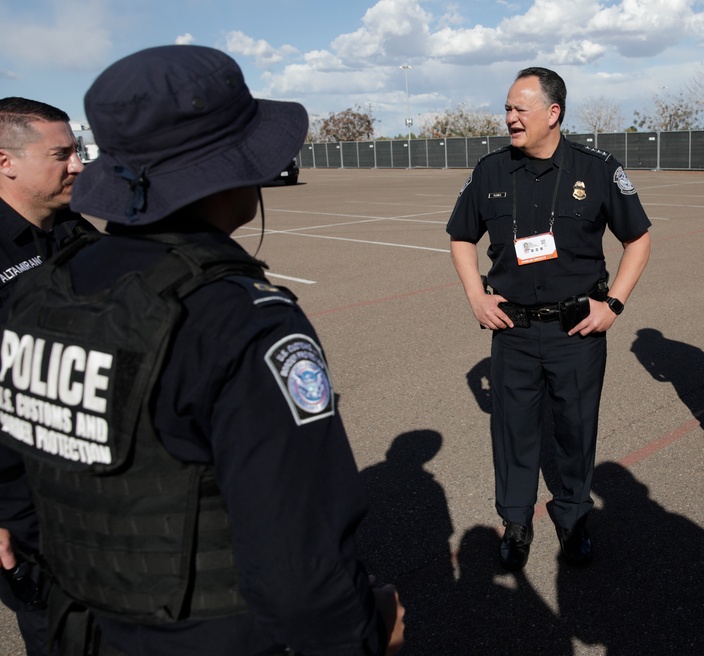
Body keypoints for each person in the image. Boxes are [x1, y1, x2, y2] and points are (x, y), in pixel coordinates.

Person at [0, 45, 404, 654]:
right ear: (227, 171)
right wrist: (365, 639)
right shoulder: (242, 319)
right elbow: (298, 550)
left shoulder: (48, 288)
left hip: (76, 623)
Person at [446, 67, 651, 569]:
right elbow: (459, 237)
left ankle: (574, 515)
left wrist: (614, 305)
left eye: (521, 109)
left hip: (576, 329)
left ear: (553, 113)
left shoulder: (598, 169)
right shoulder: (489, 171)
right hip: (512, 329)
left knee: (576, 429)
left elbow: (638, 240)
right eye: (508, 109)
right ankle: (516, 522)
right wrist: (477, 297)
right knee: (513, 430)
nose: (510, 118)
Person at [0, 96, 96, 656]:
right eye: (61, 154)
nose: (77, 164)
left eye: (76, 151)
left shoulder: (73, 228)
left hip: (96, 489)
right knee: (63, 634)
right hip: (24, 509)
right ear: (6, 161)